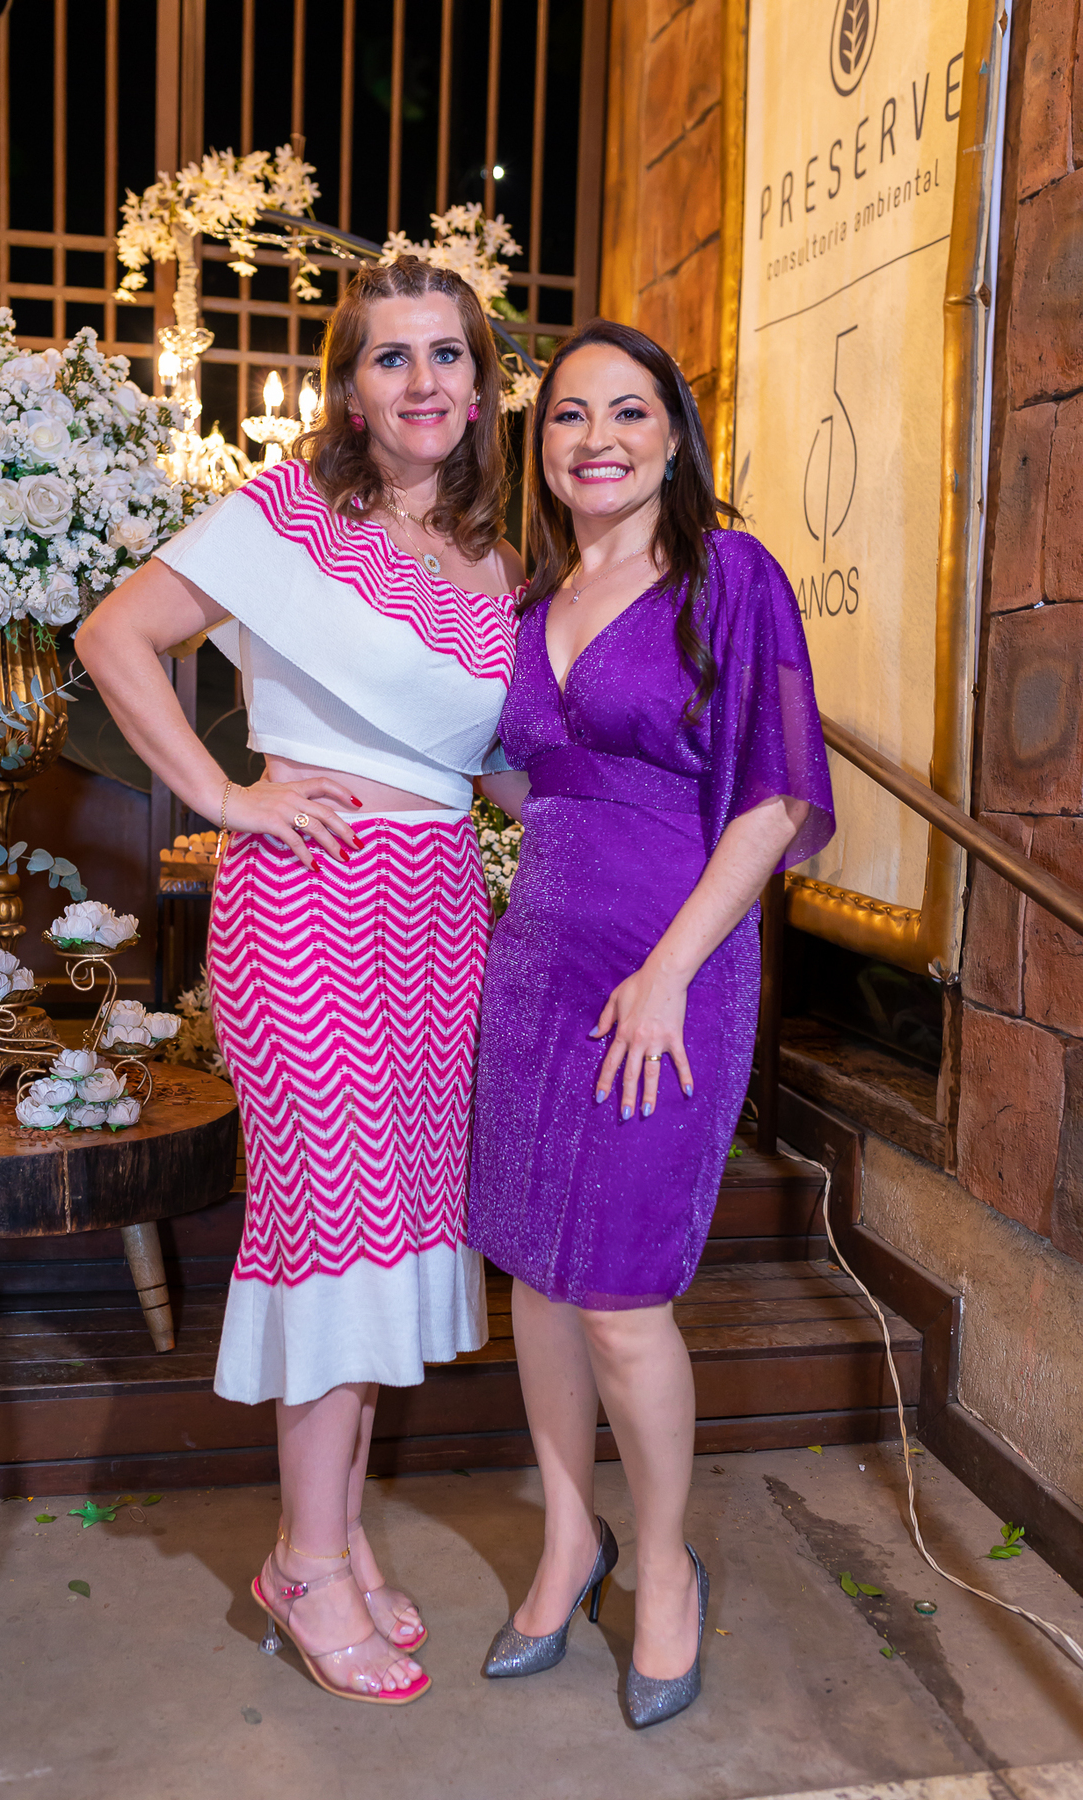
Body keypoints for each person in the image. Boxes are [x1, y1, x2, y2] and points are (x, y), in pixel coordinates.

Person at [76, 259, 524, 1706]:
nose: (423, 382)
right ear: (349, 387)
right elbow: (112, 635)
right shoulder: (288, 514)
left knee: (396, 1228)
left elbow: (489, 768)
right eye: (392, 357)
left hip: (438, 909)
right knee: (338, 1221)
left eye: (448, 355)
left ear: (482, 384)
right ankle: (313, 1564)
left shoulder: (494, 563)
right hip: (313, 900)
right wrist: (225, 794)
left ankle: (320, 1537)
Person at [467, 319, 834, 1727]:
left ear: (674, 434)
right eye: (569, 415)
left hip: (671, 970)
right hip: (540, 963)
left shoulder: (730, 576)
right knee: (537, 1279)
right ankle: (571, 1540)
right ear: (541, 444)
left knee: (620, 1297)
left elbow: (778, 798)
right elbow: (524, 780)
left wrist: (671, 967)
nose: (598, 438)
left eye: (629, 411)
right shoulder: (532, 596)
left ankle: (665, 1565)